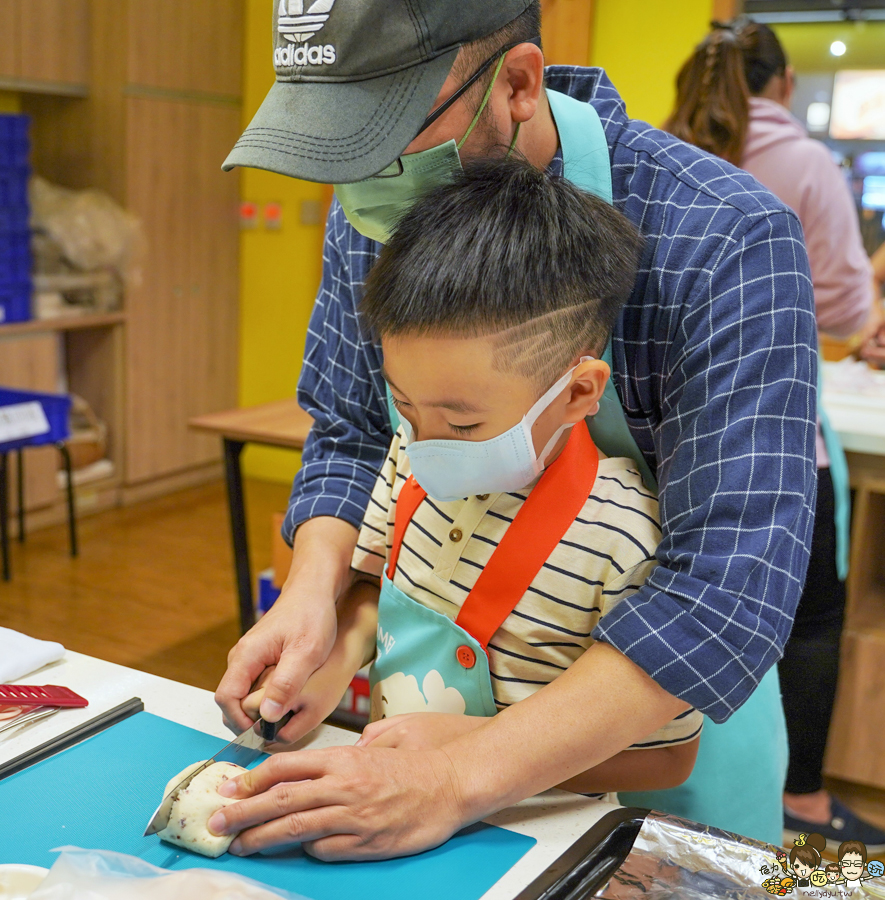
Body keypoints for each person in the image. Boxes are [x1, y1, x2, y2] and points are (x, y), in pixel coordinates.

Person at [213, 0, 817, 858]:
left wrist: (459, 777)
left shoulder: (722, 237)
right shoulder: (377, 209)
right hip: (422, 733)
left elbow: (724, 593)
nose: (361, 183)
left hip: (652, 755)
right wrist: (317, 600)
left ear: (520, 84)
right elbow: (350, 434)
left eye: (385, 141)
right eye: (335, 150)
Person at [242, 158, 704, 803]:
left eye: (464, 424)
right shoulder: (411, 456)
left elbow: (669, 761)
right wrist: (326, 668)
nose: (427, 445)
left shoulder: (622, 535)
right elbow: (385, 592)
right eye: (404, 406)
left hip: (527, 827)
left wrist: (469, 751)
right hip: (391, 805)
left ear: (576, 393)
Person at [664, 17, 885, 853]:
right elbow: (850, 310)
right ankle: (806, 805)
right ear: (785, 85)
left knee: (690, 604)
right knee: (808, 624)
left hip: (666, 432)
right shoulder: (805, 164)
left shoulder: (658, 148)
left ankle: (689, 825)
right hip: (776, 433)